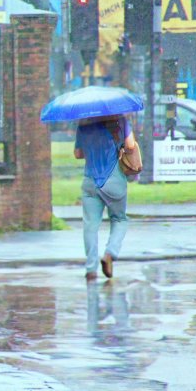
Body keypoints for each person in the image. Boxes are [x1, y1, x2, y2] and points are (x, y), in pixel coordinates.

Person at [74, 115, 137, 281]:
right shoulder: (120, 122)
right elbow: (130, 145)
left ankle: (91, 269)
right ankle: (110, 253)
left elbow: (78, 153)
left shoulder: (84, 125)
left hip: (90, 182)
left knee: (90, 226)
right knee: (119, 219)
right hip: (114, 181)